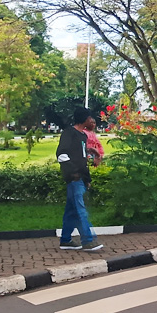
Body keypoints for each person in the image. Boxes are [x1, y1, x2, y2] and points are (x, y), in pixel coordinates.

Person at [56, 107, 103, 251]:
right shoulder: (69, 133)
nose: (92, 121)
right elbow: (61, 154)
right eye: (90, 118)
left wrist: (92, 154)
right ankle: (88, 240)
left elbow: (80, 157)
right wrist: (74, 173)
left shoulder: (83, 136)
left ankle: (65, 240)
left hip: (80, 178)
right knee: (81, 210)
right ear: (84, 119)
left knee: (71, 211)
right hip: (74, 178)